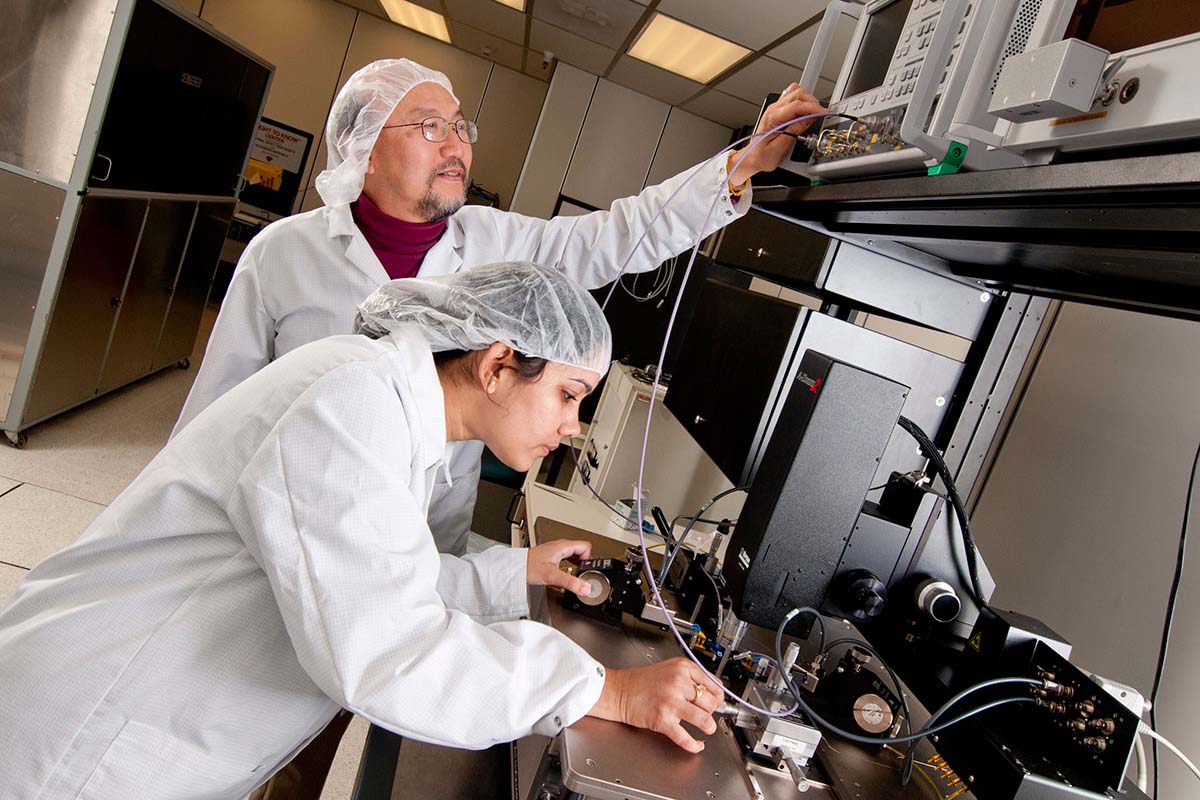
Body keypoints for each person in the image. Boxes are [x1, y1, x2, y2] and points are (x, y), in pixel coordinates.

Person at [0, 262, 725, 799]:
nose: (572, 429)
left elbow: (373, 570)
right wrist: (604, 691)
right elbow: (387, 647)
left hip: (157, 723)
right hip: (85, 740)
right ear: (500, 363)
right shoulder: (353, 405)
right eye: (569, 396)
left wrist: (516, 574)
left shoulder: (389, 406)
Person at [173, 58, 826, 559]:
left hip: (422, 531)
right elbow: (216, 403)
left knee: (348, 695)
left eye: (461, 127)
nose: (457, 144)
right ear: (366, 149)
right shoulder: (283, 253)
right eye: (431, 127)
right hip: (289, 520)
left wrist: (739, 166)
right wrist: (183, 529)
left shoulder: (500, 244)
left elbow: (619, 236)